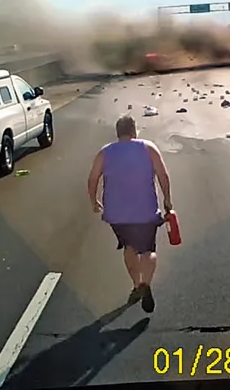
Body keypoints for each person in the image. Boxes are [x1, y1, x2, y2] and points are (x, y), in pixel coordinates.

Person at [87, 114, 173, 313]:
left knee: (130, 247)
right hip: (146, 213)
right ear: (135, 132)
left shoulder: (105, 152)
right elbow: (163, 174)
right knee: (148, 250)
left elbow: (92, 179)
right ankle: (146, 284)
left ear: (118, 134)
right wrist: (167, 199)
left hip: (117, 215)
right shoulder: (148, 148)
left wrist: (94, 202)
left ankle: (136, 284)